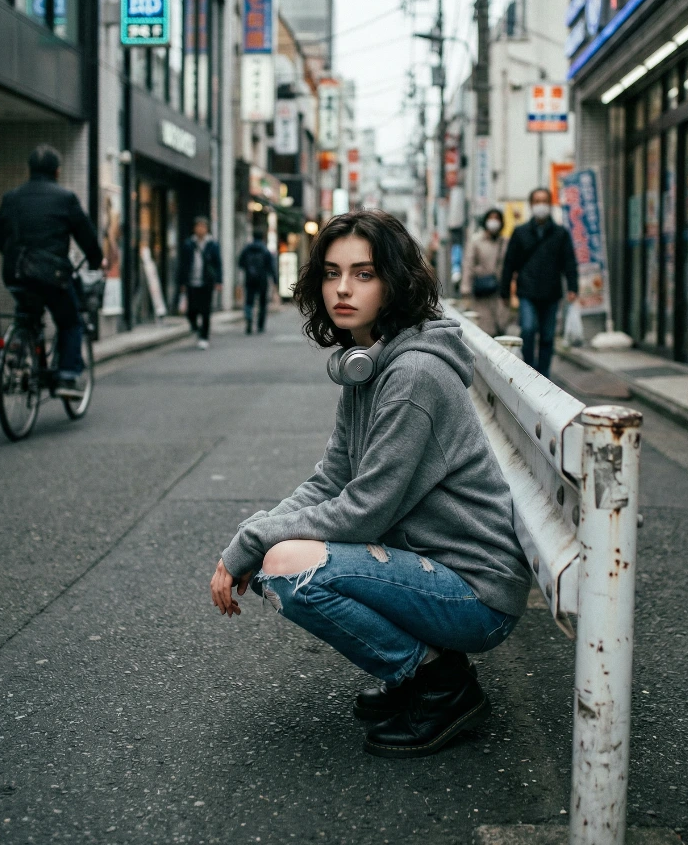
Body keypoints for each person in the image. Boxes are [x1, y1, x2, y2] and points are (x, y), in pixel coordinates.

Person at [211, 210, 531, 759]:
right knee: (278, 553)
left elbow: (364, 511)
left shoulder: (411, 376)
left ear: (394, 281)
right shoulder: (370, 363)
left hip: (477, 592)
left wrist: (255, 541)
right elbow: (331, 477)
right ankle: (420, 674)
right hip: (435, 565)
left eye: (363, 274)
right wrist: (258, 531)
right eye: (332, 273)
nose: (342, 288)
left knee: (290, 569)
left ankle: (440, 682)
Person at [0, 144, 105, 398]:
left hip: (16, 272)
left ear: (30, 169)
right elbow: (86, 236)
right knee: (70, 321)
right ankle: (67, 375)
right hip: (51, 275)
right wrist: (96, 261)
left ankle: (19, 349)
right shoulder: (65, 199)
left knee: (27, 312)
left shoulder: (11, 197)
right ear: (57, 172)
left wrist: (13, 258)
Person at [500, 187, 578, 379]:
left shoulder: (560, 233)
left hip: (551, 292)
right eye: (537, 201)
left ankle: (543, 376)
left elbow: (569, 262)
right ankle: (528, 370)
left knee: (548, 336)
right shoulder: (520, 233)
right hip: (527, 291)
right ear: (531, 205)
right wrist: (504, 290)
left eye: (544, 201)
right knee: (527, 329)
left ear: (549, 205)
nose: (540, 205)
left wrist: (573, 287)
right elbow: (509, 263)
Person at [460, 207, 510, 337]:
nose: (494, 222)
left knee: (501, 323)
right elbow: (468, 265)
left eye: (497, 219)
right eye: (491, 219)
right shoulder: (476, 241)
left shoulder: (505, 242)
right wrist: (465, 288)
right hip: (481, 289)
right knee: (484, 326)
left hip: (500, 290)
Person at [178, 216, 222, 350]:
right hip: (191, 282)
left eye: (202, 226)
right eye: (198, 226)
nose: (200, 229)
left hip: (206, 282)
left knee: (206, 310)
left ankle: (204, 337)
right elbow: (183, 265)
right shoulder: (188, 244)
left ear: (207, 228)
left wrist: (219, 281)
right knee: (191, 311)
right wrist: (182, 282)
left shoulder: (212, 244)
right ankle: (196, 328)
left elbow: (218, 264)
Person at [238, 229, 278, 334]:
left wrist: (248, 270)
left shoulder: (247, 249)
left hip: (249, 279)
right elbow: (271, 267)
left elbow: (240, 263)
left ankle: (249, 320)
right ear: (262, 238)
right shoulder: (265, 250)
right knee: (262, 303)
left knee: (249, 302)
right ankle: (260, 325)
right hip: (262, 280)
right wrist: (275, 282)